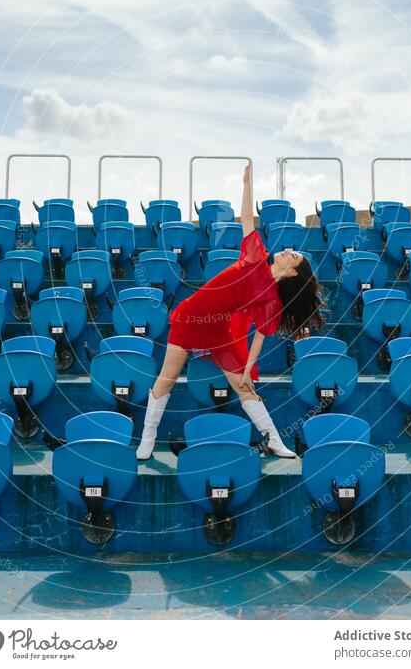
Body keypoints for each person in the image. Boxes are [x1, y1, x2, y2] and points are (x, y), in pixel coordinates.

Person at [136, 160, 325, 460]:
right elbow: (248, 220)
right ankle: (146, 440)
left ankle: (274, 440)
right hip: (191, 316)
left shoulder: (271, 300)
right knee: (168, 377)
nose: (289, 250)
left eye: (295, 256)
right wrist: (247, 184)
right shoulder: (254, 256)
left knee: (244, 385)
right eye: (292, 250)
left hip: (220, 331)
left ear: (292, 273)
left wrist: (249, 366)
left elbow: (261, 335)